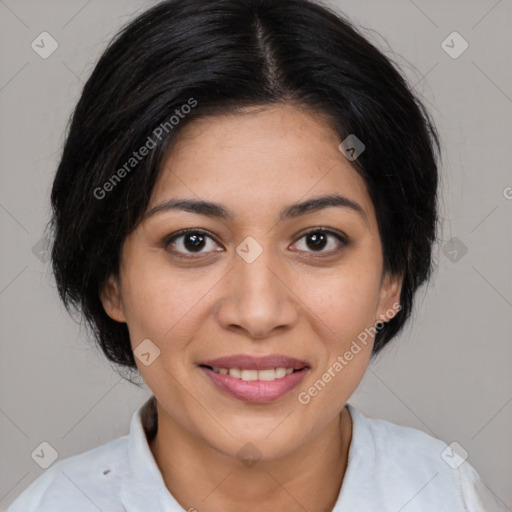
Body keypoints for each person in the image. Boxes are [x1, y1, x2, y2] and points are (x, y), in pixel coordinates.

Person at [7, 0, 507, 510]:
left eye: (317, 240)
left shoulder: (451, 495)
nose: (258, 312)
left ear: (391, 278)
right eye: (193, 241)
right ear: (110, 278)